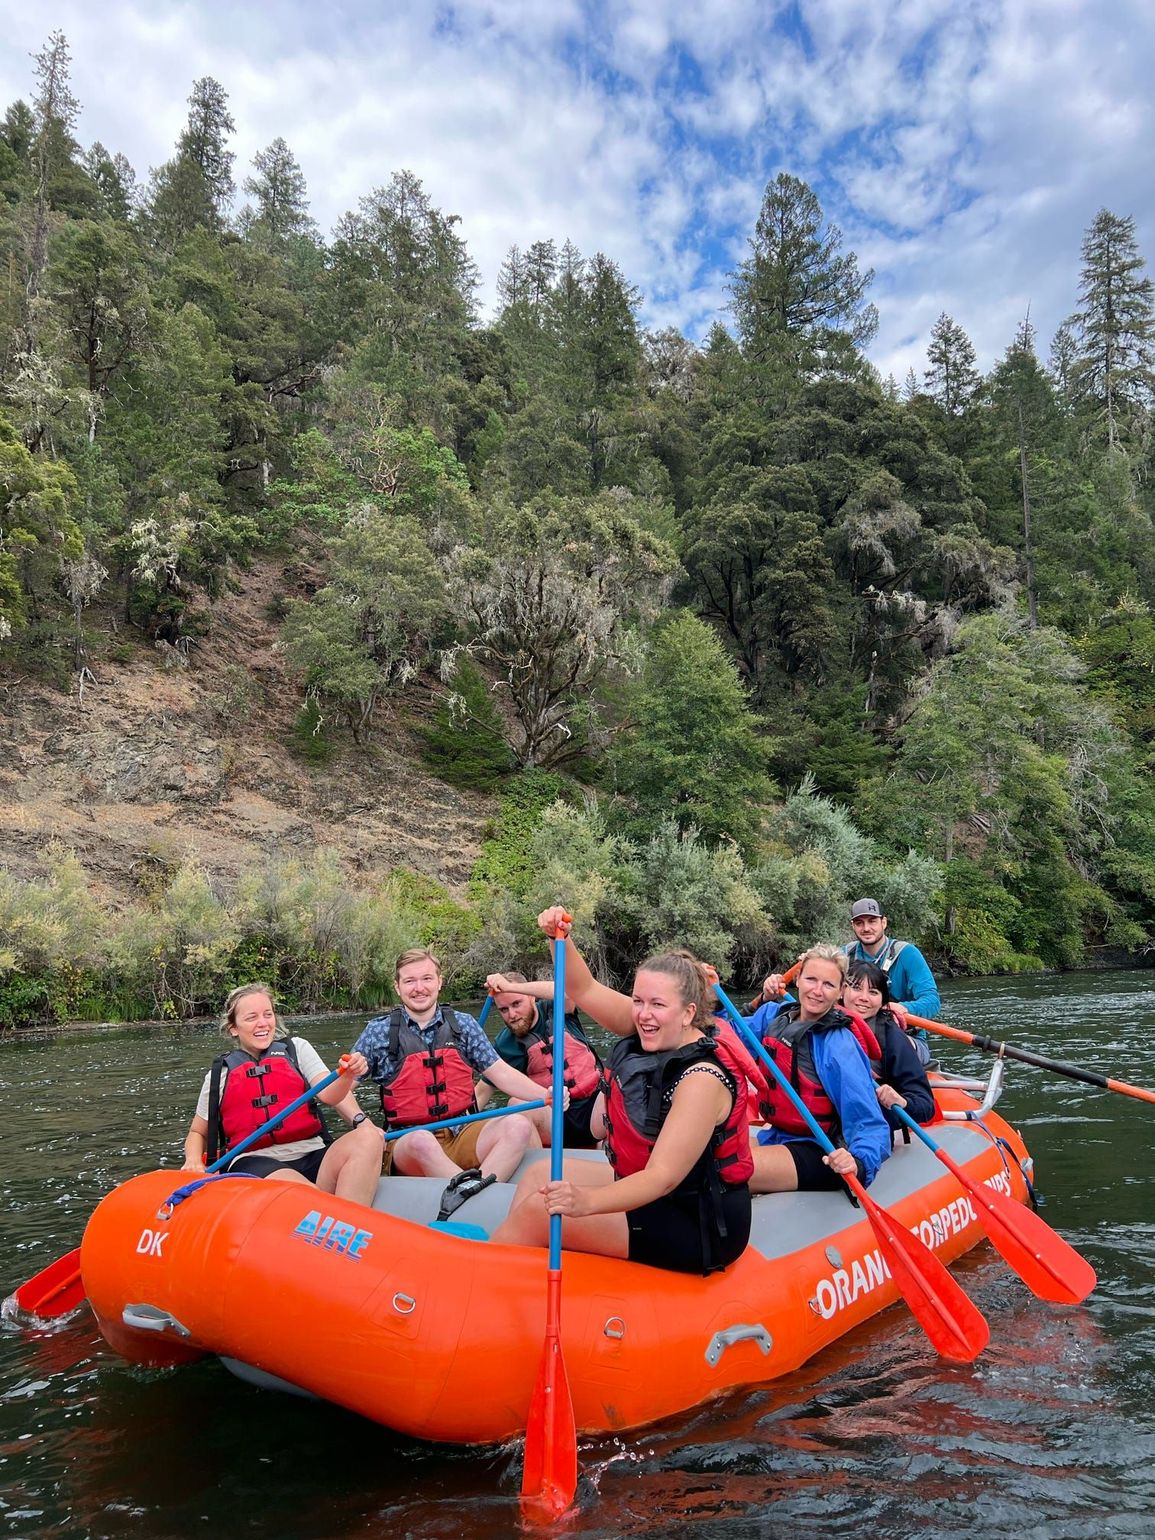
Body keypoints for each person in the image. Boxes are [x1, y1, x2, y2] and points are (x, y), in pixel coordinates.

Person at [493, 910, 752, 1275]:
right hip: (655, 1194)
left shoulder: (702, 1079)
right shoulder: (652, 1028)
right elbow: (583, 989)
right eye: (638, 1001)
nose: (643, 1014)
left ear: (687, 1012)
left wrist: (586, 1202)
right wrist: (559, 938)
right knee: (539, 1178)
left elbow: (662, 1177)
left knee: (543, 1210)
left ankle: (487, 1278)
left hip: (699, 1220)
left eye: (657, 1004)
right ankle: (521, 1275)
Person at [353, 948, 554, 1216]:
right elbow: (340, 1090)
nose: (419, 988)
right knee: (422, 1141)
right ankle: (480, 1199)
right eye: (410, 981)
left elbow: (501, 1074)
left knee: (518, 1124)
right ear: (398, 987)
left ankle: (471, 1194)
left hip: (462, 1133)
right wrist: (363, 1125)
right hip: (406, 1142)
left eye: (426, 979)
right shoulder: (378, 1032)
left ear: (439, 982)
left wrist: (547, 1094)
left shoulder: (464, 1025)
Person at [181, 982, 384, 1207]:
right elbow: (197, 1132)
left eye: (268, 1014)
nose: (262, 1023)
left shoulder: (297, 1049)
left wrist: (347, 1076)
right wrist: (192, 1160)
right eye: (251, 1018)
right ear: (233, 1028)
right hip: (256, 1163)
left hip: (314, 1153)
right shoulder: (220, 1074)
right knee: (305, 1194)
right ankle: (336, 1218)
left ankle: (350, 1224)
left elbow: (330, 1095)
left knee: (369, 1137)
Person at [745, 945, 892, 1194]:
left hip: (823, 1151)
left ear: (840, 992)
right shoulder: (773, 1015)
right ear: (798, 979)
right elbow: (723, 1035)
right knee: (700, 1158)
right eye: (811, 979)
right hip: (777, 1135)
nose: (817, 991)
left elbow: (870, 1123)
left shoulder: (838, 1044)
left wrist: (858, 1163)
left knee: (726, 1170)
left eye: (828, 984)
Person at [757, 897, 940, 1064]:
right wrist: (811, 962)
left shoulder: (908, 954)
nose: (866, 928)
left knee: (879, 1043)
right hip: (853, 1032)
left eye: (872, 921)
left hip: (902, 1036)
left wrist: (904, 1008)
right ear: (853, 926)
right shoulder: (845, 954)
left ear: (883, 922)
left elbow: (932, 1001)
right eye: (859, 923)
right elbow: (820, 985)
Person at [481, 971, 604, 1148]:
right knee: (516, 1103)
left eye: (517, 1003)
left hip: (594, 1107)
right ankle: (540, 1167)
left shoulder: (558, 1009)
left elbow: (568, 992)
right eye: (504, 1009)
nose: (512, 1014)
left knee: (618, 1080)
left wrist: (509, 987)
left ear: (531, 996)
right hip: (554, 1120)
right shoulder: (504, 1044)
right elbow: (483, 1091)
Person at [842, 959, 936, 1130]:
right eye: (856, 988)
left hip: (868, 1127)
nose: (863, 998)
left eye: (873, 992)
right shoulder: (820, 1021)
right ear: (841, 990)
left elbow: (925, 1106)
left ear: (882, 1000)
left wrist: (902, 1102)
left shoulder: (891, 1036)